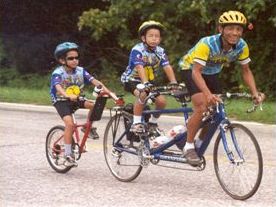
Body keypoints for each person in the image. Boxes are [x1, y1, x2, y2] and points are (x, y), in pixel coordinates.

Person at [178, 11, 265, 166]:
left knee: (216, 110)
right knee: (201, 105)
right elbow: (196, 72)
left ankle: (199, 140)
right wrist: (207, 94)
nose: (235, 33)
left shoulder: (242, 46)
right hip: (190, 68)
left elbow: (246, 71)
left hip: (212, 72)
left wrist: (254, 93)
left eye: (238, 29)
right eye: (230, 28)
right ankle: (188, 146)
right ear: (220, 29)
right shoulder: (207, 43)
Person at [50, 42, 110, 166]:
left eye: (76, 58)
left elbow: (95, 81)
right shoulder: (58, 73)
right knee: (70, 124)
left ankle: (87, 126)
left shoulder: (80, 71)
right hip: (61, 100)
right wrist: (67, 95)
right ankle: (67, 154)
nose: (75, 60)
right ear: (62, 60)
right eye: (71, 58)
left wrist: (108, 91)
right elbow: (57, 87)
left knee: (94, 105)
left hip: (76, 98)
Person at [121, 20, 178, 134]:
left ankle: (152, 123)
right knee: (143, 94)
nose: (154, 38)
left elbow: (167, 66)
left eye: (157, 36)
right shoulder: (137, 50)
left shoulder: (160, 51)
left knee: (161, 101)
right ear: (143, 38)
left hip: (149, 82)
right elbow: (139, 67)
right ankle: (136, 123)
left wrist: (174, 82)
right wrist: (145, 83)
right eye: (151, 36)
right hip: (131, 80)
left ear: (160, 39)